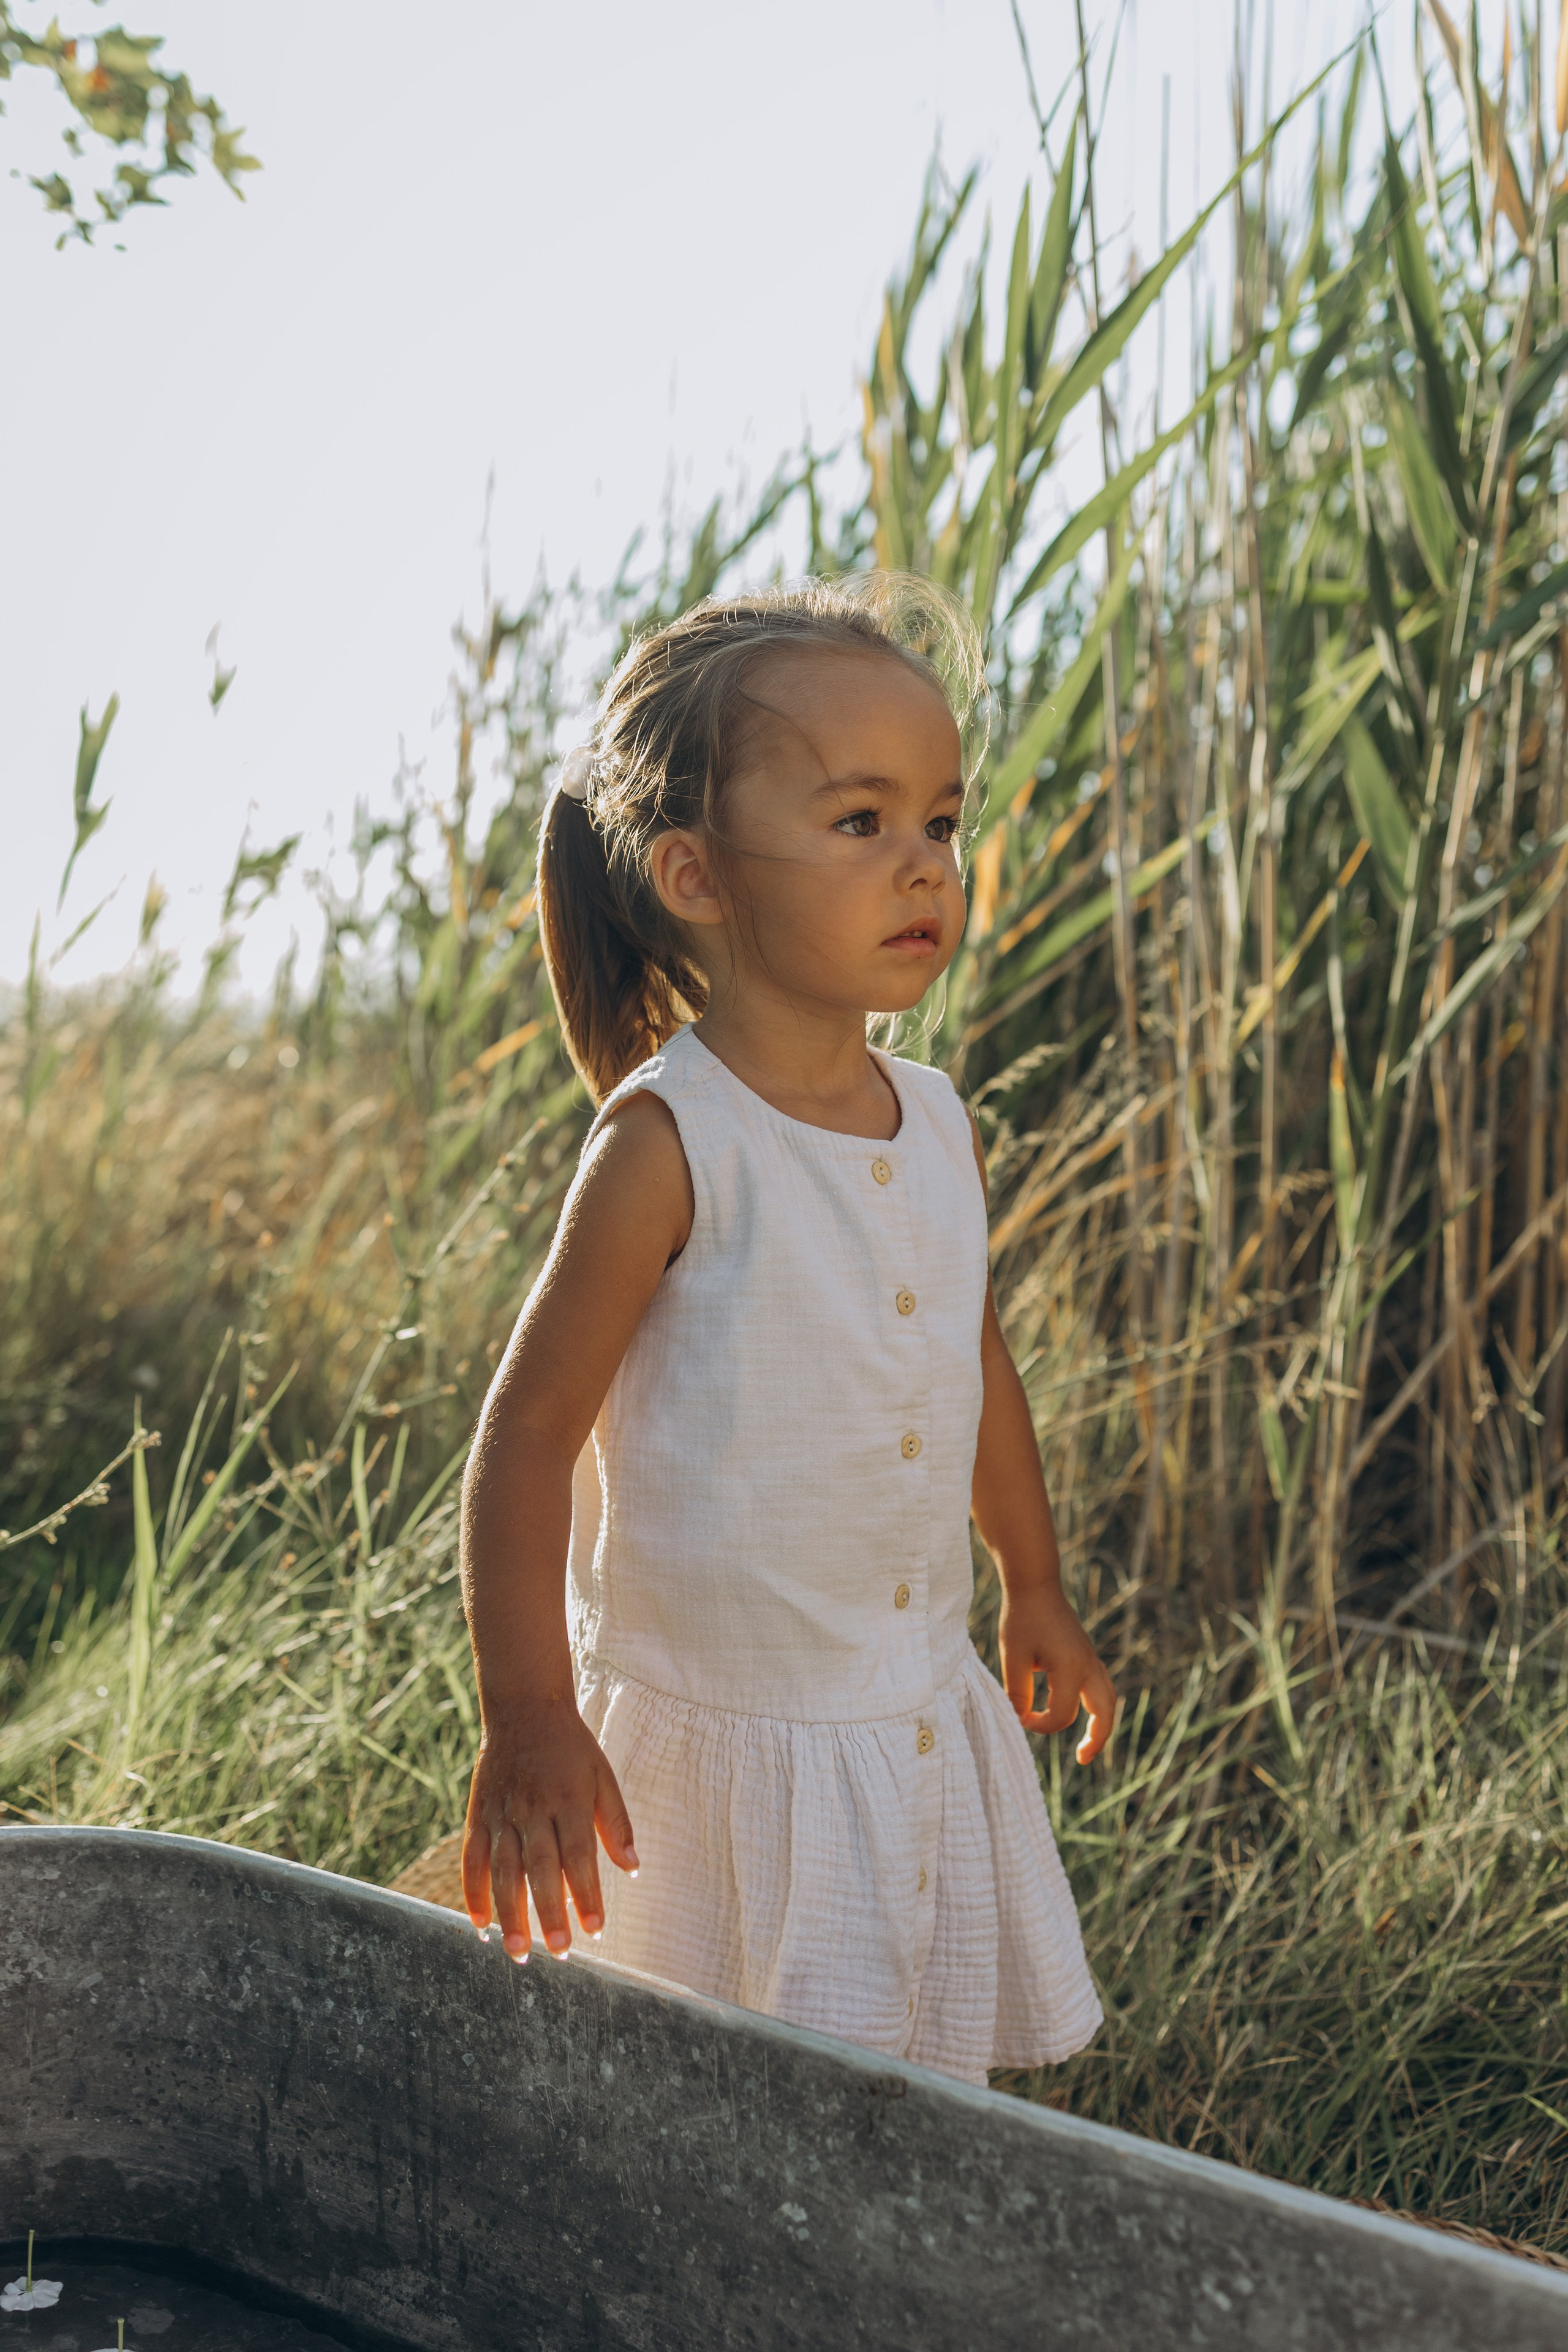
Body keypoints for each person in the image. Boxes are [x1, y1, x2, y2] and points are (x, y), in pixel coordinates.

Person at [458, 576, 1115, 2084]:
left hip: (899, 1703)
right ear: (693, 873)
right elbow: (526, 1442)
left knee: (898, 2092)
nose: (923, 867)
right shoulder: (668, 1142)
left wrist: (1034, 1582)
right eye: (860, 821)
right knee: (700, 2091)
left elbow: (970, 1359)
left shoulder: (936, 1119)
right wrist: (530, 1717)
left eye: (941, 822)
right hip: (728, 1735)